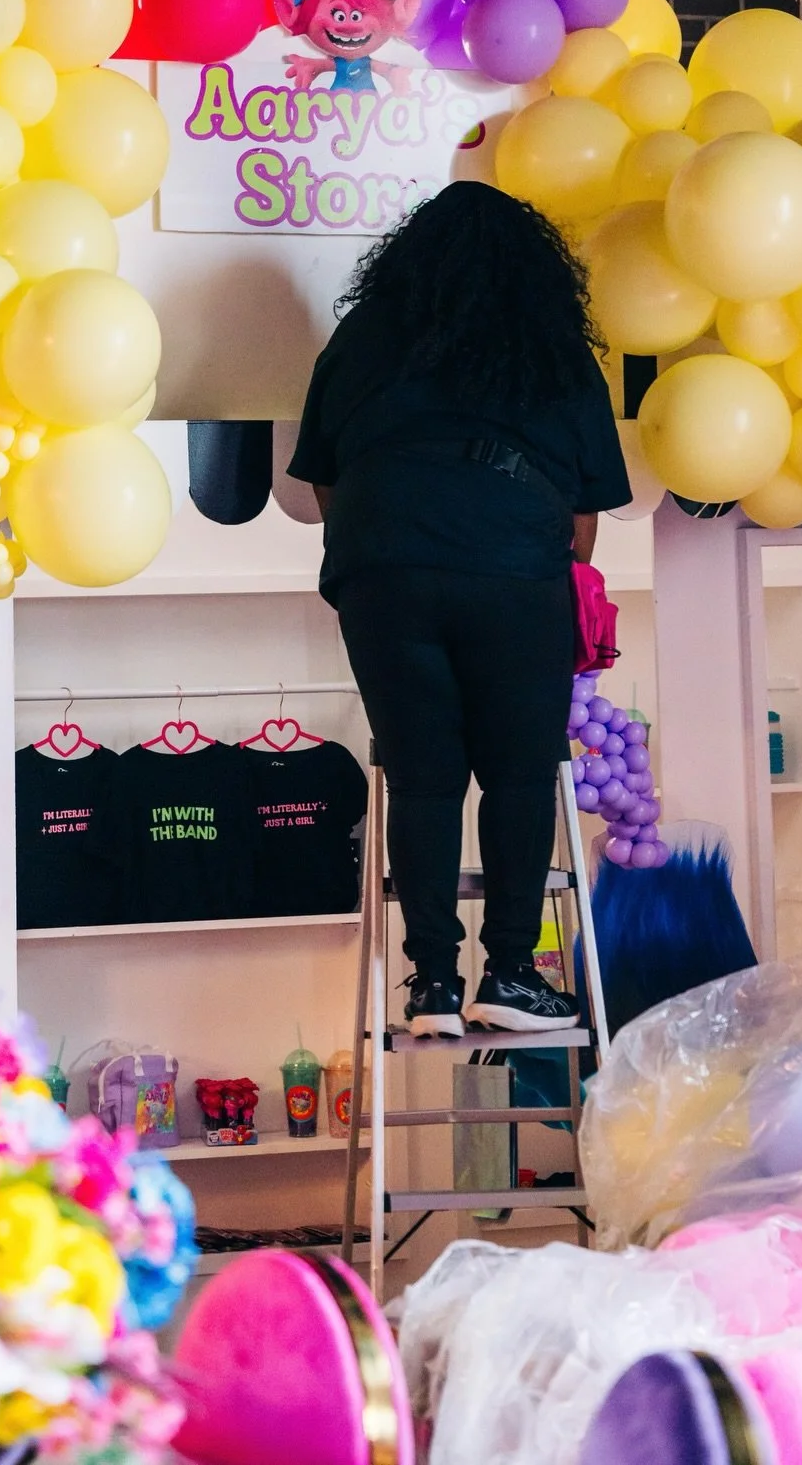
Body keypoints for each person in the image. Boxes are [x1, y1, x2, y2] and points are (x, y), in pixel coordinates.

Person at [288, 180, 631, 1037]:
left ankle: (432, 982)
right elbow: (585, 521)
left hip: (382, 572)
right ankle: (511, 973)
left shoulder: (363, 335)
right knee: (517, 774)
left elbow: (327, 479)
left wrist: (392, 549)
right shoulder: (551, 347)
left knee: (423, 776)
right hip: (514, 572)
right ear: (535, 270)